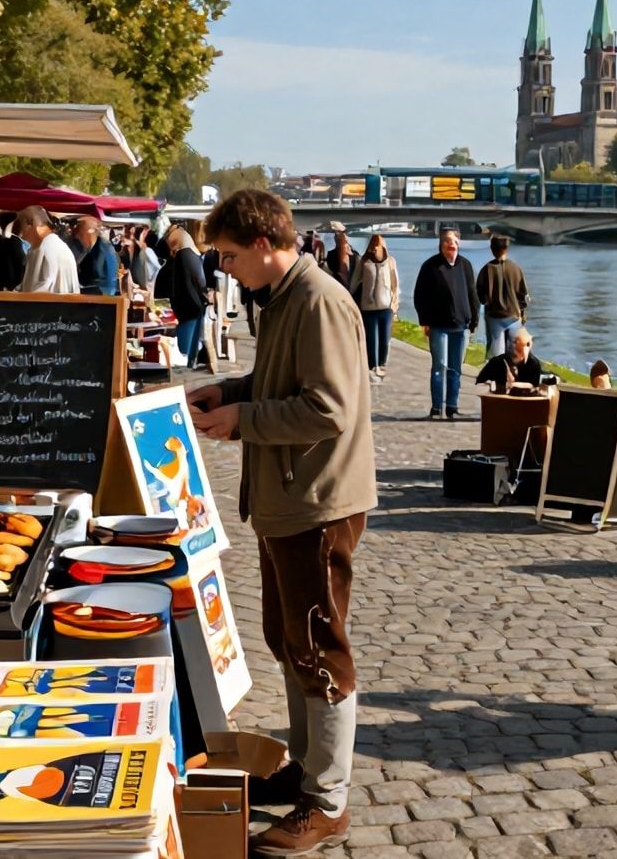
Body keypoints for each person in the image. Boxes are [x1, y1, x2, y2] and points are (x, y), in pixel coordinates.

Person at [187, 189, 375, 856]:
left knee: (319, 647)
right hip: (287, 500)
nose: (228, 268)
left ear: (265, 245)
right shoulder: (284, 298)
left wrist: (242, 419)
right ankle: (308, 766)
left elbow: (328, 409)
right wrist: (230, 392)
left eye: (232, 256)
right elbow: (280, 385)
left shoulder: (319, 300)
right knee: (288, 637)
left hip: (317, 502)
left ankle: (328, 801)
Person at [412, 230, 478, 420]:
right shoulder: (431, 266)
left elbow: (472, 294)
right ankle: (436, 407)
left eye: (454, 241)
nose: (451, 245)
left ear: (459, 244)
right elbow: (420, 295)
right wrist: (424, 320)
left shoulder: (465, 266)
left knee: (456, 369)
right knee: (439, 366)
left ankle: (452, 406)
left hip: (460, 326)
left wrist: (474, 320)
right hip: (438, 325)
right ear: (441, 245)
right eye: (447, 241)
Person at [354, 234, 400, 383]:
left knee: (384, 339)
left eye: (378, 244)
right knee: (371, 339)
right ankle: (372, 367)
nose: (375, 246)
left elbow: (395, 284)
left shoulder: (390, 262)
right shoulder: (364, 261)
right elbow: (355, 281)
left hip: (385, 307)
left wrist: (394, 305)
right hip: (368, 307)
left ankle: (381, 365)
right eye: (373, 243)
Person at [476, 235, 530, 357]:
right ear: (506, 249)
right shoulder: (516, 269)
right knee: (514, 355)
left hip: (494, 317)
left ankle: (496, 375)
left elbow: (481, 297)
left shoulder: (486, 269)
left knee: (495, 356)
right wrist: (522, 314)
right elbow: (523, 295)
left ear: (492, 249)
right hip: (514, 316)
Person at [164, 224, 209, 368]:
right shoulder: (191, 254)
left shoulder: (183, 256)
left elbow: (180, 286)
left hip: (187, 309)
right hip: (194, 307)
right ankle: (189, 365)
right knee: (190, 350)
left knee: (185, 350)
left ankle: (187, 367)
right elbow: (199, 281)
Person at [17, 204, 81, 294]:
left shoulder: (49, 247)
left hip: (54, 307)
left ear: (31, 226)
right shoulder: (42, 247)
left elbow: (43, 291)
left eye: (21, 226)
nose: (21, 234)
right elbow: (28, 285)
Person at [475, 326, 544, 389]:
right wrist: (490, 384)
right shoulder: (497, 362)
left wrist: (513, 385)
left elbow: (534, 385)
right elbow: (479, 383)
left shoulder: (534, 364)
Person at [76, 216, 122, 297]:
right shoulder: (89, 249)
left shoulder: (105, 249)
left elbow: (110, 279)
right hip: (91, 294)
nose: (79, 236)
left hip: (100, 296)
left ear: (90, 231)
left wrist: (107, 298)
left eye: (81, 231)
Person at [322, 223, 358, 292]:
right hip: (343, 274)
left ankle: (340, 233)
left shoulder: (332, 258)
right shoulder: (354, 256)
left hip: (339, 272)